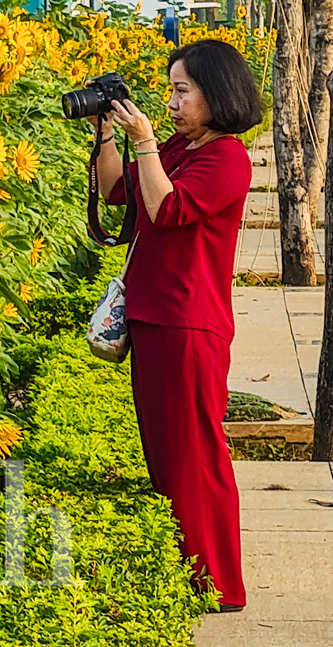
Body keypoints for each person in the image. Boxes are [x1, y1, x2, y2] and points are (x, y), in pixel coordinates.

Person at [92, 38, 264, 613]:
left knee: (196, 457)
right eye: (169, 90)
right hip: (156, 318)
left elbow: (167, 210)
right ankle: (188, 578)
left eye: (181, 90)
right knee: (166, 457)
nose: (170, 102)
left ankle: (219, 584)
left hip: (189, 324)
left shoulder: (226, 158)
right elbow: (119, 191)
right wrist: (109, 131)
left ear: (217, 94)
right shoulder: (182, 146)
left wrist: (145, 143)